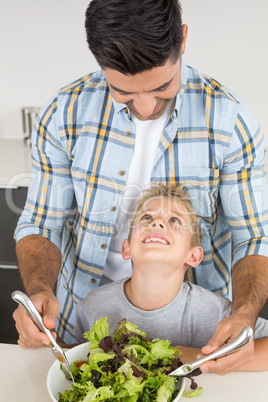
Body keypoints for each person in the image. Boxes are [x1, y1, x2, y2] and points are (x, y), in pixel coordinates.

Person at [13, 0, 268, 375]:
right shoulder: (64, 113)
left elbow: (253, 238)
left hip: (193, 343)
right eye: (124, 92)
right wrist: (40, 290)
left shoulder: (231, 123)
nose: (147, 107)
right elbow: (42, 223)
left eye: (162, 87)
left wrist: (245, 313)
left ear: (181, 40)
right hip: (79, 321)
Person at [74, 183, 268, 372]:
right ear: (126, 248)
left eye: (174, 220)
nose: (156, 223)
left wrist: (196, 357)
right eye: (147, 217)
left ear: (194, 256)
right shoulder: (91, 307)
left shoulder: (215, 313)